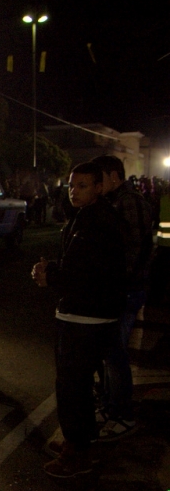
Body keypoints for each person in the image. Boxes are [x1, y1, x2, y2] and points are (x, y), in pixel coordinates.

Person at [31, 162, 126, 478]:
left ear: (99, 187)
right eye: (72, 185)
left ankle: (77, 452)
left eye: (83, 185)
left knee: (72, 386)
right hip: (84, 313)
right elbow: (77, 264)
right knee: (79, 385)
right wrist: (54, 270)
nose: (74, 191)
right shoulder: (85, 217)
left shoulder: (98, 222)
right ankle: (80, 441)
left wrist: (50, 275)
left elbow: (84, 275)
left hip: (86, 317)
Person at [91, 155, 152, 441]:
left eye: (100, 178)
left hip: (126, 290)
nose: (97, 184)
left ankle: (123, 414)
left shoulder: (130, 201)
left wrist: (121, 283)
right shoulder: (112, 201)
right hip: (116, 289)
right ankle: (110, 405)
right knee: (107, 352)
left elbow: (136, 249)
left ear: (114, 176)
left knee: (115, 354)